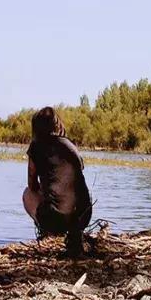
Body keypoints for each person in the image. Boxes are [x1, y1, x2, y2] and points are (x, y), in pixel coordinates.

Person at [23, 106, 93, 257]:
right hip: (84, 214)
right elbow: (80, 167)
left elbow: (32, 184)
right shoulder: (68, 144)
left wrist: (44, 188)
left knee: (27, 194)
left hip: (59, 219)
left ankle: (48, 232)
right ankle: (75, 234)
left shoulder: (36, 146)